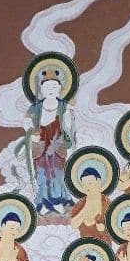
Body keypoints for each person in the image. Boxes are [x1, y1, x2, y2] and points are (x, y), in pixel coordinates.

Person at [24, 69, 75, 215]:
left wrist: (69, 111)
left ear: (60, 88)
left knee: (58, 173)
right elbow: (26, 122)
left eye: (54, 87)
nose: (51, 90)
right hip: (40, 144)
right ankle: (43, 201)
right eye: (47, 87)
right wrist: (31, 134)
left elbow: (69, 126)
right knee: (41, 173)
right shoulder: (36, 107)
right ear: (41, 90)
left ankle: (59, 200)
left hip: (58, 144)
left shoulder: (63, 106)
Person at [69, 167, 110, 242]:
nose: (87, 187)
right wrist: (85, 209)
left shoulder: (107, 203)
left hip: (104, 245)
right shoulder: (81, 204)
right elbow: (73, 225)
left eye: (90, 183)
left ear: (98, 181)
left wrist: (103, 229)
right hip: (85, 244)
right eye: (84, 184)